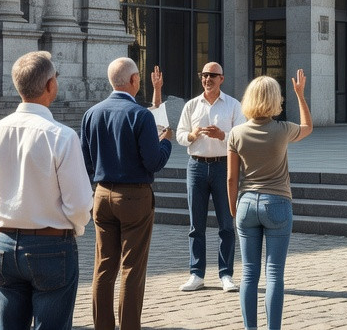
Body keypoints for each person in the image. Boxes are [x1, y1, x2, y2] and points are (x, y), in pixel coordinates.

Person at [0, 50, 93, 330]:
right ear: (50, 85)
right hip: (52, 244)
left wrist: (12, 213)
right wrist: (74, 227)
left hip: (5, 243)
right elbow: (78, 204)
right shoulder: (62, 136)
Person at [80, 57, 172, 330]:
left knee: (104, 267)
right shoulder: (140, 115)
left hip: (102, 193)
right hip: (134, 196)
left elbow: (85, 161)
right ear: (133, 80)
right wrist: (165, 143)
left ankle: (102, 326)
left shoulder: (91, 113)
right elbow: (153, 161)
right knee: (132, 268)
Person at [227, 70, 313, 330]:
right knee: (274, 274)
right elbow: (308, 127)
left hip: (246, 203)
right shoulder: (282, 129)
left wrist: (233, 210)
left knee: (249, 273)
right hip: (277, 202)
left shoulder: (236, 133)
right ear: (276, 99)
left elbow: (231, 178)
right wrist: (300, 95)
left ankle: (249, 328)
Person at [173, 61, 243, 292]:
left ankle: (226, 275)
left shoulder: (233, 105)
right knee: (196, 225)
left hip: (224, 166)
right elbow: (180, 134)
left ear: (222, 78)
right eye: (204, 75)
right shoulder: (192, 106)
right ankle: (196, 274)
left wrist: (223, 134)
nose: (207, 79)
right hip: (197, 166)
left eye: (213, 75)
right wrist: (191, 136)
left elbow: (241, 135)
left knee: (226, 223)